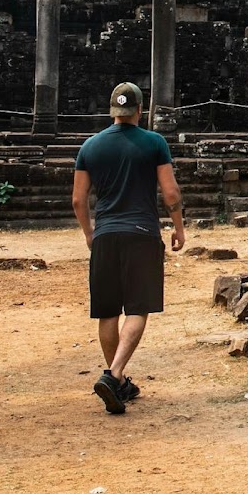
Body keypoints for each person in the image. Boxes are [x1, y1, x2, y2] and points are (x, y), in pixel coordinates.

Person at [71, 82, 185, 414]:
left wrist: (90, 233)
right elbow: (172, 193)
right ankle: (115, 374)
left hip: (105, 235)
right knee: (137, 309)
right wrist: (179, 228)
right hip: (142, 233)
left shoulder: (90, 147)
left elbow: (79, 199)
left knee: (108, 311)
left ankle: (117, 385)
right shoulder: (154, 143)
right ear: (140, 110)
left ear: (112, 111)